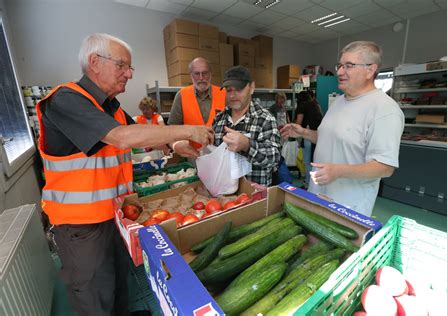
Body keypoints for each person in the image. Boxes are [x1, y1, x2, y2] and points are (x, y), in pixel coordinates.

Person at [35, 33, 213, 316]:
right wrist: (187, 129)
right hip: (81, 225)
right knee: (94, 294)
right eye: (122, 65)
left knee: (119, 282)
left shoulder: (111, 107)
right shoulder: (66, 99)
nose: (129, 74)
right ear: (94, 62)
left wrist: (177, 145)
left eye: (130, 67)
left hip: (114, 215)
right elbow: (122, 137)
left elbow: (146, 138)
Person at [281, 41, 404, 217]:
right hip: (318, 193)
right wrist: (305, 133)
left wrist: (338, 171)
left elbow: (384, 167)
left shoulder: (385, 110)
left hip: (347, 205)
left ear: (370, 70)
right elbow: (330, 139)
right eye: (339, 65)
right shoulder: (339, 101)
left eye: (349, 66)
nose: (339, 72)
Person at [212, 66, 281, 187]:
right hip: (223, 194)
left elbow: (274, 158)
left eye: (238, 89)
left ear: (251, 88)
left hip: (253, 197)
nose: (232, 96)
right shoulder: (219, 119)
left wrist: (247, 145)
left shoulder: (265, 119)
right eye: (229, 90)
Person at [168, 57, 226, 156]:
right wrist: (176, 144)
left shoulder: (224, 93)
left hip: (220, 155)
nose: (201, 77)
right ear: (191, 75)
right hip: (192, 156)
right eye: (196, 73)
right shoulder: (181, 95)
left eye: (205, 73)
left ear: (210, 74)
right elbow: (172, 128)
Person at [295, 90, 323, 188]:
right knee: (315, 161)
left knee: (307, 161)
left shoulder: (302, 106)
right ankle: (314, 184)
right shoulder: (316, 105)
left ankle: (308, 184)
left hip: (308, 135)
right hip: (319, 135)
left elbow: (298, 123)